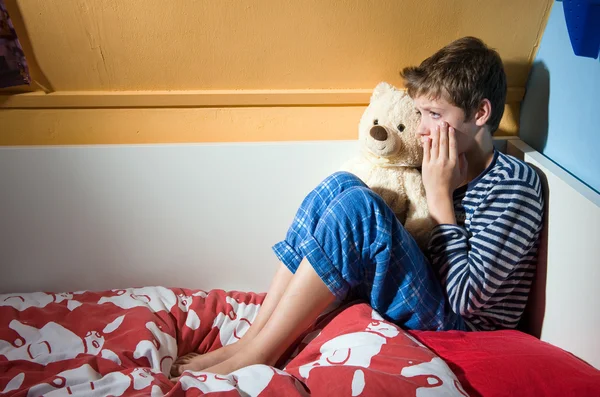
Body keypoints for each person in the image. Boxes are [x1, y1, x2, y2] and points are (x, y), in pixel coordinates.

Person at [170, 36, 544, 377]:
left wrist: (440, 198)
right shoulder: (442, 163)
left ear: (480, 114)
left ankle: (262, 354)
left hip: (464, 330)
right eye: (420, 114)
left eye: (435, 114)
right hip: (434, 296)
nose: (422, 129)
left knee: (360, 208)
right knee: (341, 185)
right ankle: (250, 340)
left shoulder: (513, 185)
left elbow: (465, 302)